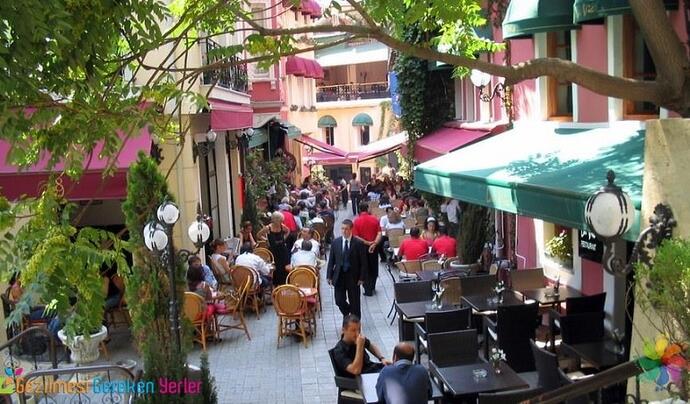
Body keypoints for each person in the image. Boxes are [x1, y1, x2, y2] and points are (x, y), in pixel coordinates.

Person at [327, 220, 368, 318]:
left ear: (351, 229)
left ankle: (356, 322)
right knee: (339, 300)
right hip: (339, 276)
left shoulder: (358, 243)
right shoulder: (336, 242)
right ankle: (347, 313)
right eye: (342, 229)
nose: (344, 231)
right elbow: (331, 260)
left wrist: (362, 278)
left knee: (355, 302)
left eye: (346, 229)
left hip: (353, 276)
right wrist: (329, 275)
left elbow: (364, 262)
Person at [353, 202, 382, 296]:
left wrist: (367, 243)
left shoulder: (356, 221)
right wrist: (374, 243)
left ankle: (367, 288)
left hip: (362, 247)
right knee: (374, 265)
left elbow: (355, 236)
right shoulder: (374, 219)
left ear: (359, 209)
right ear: (367, 208)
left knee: (364, 266)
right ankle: (372, 285)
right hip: (374, 246)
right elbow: (379, 233)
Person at [263, 212, 291, 286]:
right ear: (275, 220)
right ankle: (276, 285)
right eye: (280, 221)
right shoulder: (268, 228)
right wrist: (266, 240)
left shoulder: (282, 226)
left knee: (284, 267)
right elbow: (258, 235)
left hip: (282, 250)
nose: (281, 222)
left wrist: (284, 238)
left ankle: (284, 284)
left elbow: (288, 231)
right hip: (273, 251)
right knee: (276, 268)